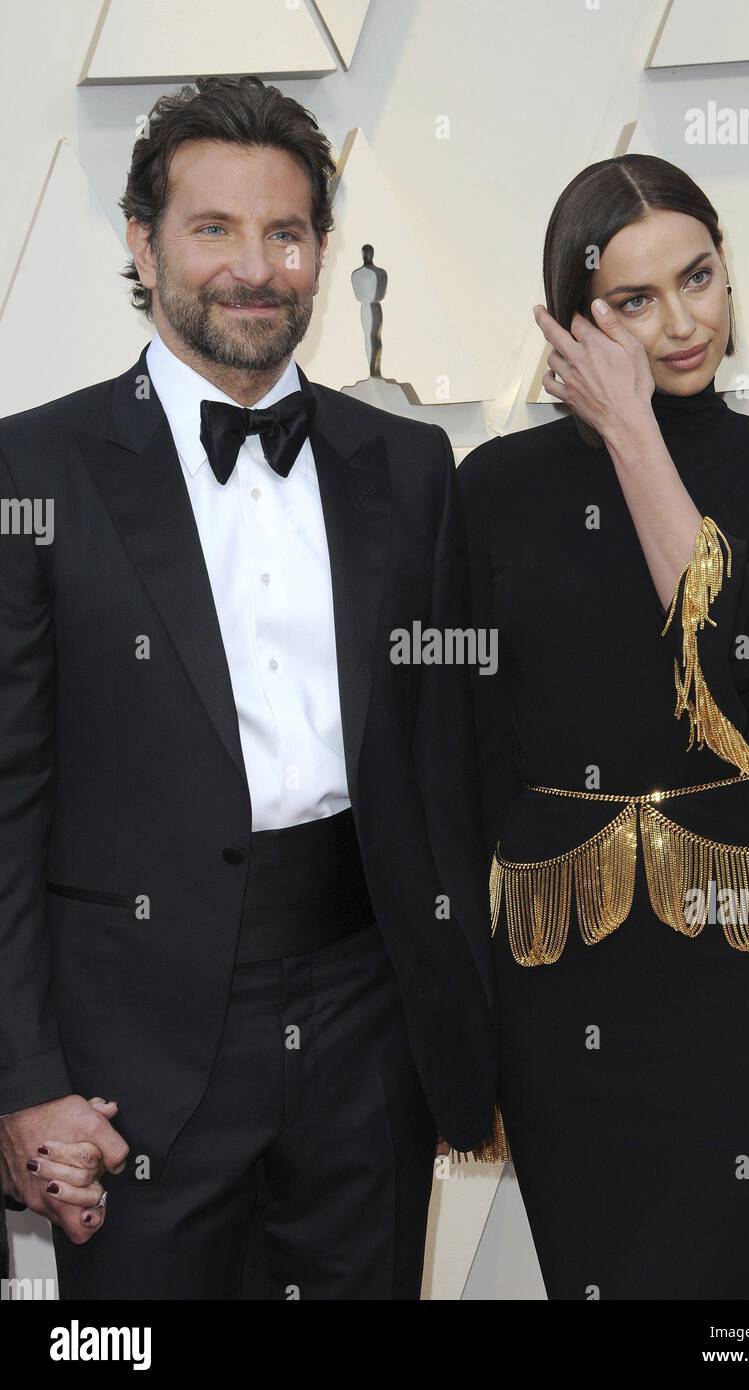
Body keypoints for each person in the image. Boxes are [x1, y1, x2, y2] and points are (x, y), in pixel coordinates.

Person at [0, 74, 497, 1300]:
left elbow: (445, 772)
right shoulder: (34, 466)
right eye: (212, 228)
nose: (254, 268)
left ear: (320, 250)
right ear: (142, 242)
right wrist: (22, 1075)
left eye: (285, 233)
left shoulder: (410, 464)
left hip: (365, 1019)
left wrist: (455, 1035)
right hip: (131, 1045)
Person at [454, 153, 749, 1300]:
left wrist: (632, 434)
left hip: (745, 963)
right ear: (573, 317)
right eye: (634, 301)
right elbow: (468, 756)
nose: (682, 323)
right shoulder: (490, 486)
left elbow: (731, 658)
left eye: (697, 277)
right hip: (556, 974)